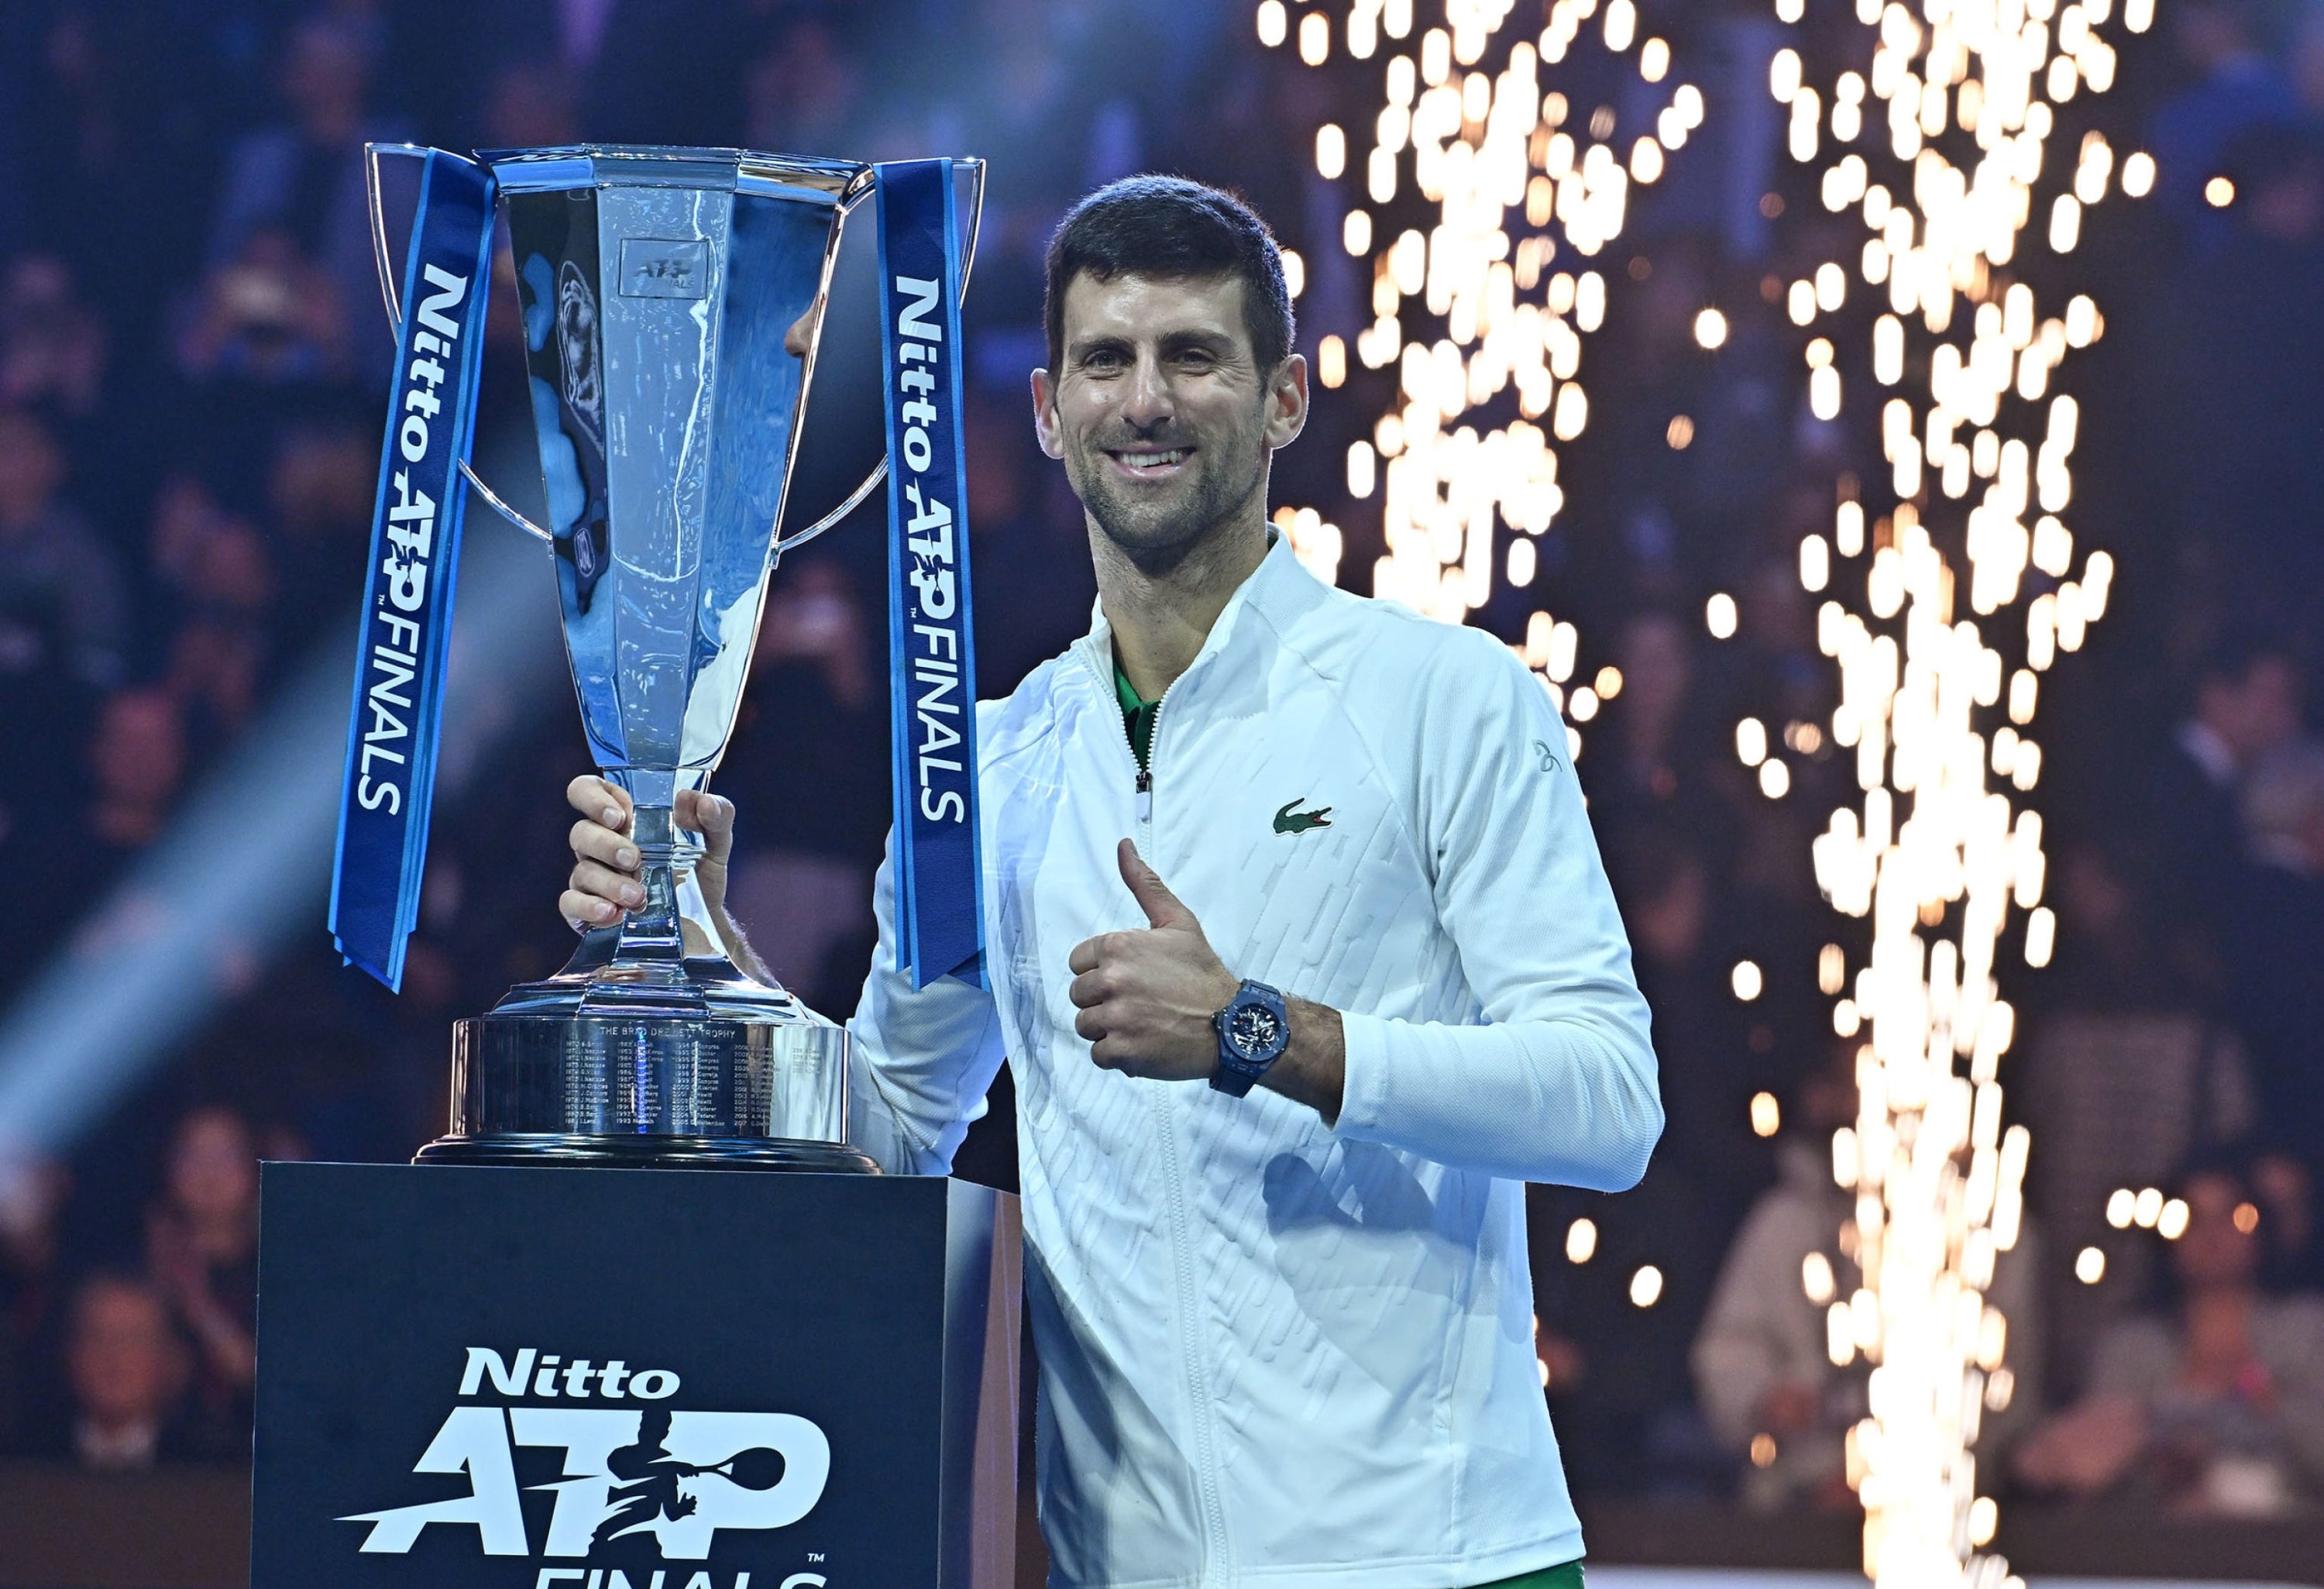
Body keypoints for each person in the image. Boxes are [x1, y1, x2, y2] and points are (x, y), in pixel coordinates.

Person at [559, 177, 1661, 1587]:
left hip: (1436, 1557)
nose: (1147, 398)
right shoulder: (991, 774)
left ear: (1284, 401)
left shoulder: (1445, 701)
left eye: (1195, 355)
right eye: (1107, 360)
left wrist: (1261, 1032)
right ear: (1047, 412)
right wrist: (717, 962)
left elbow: (1606, 1101)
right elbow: (896, 1129)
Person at [2014, 1157, 2324, 1515]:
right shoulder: (2131, 1347)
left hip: (2291, 1546)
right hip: (2153, 1549)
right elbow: (2088, 1466)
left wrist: (2263, 1399)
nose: (2212, 1234)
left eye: (2234, 1215)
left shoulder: (2307, 1332)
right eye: (2190, 1216)